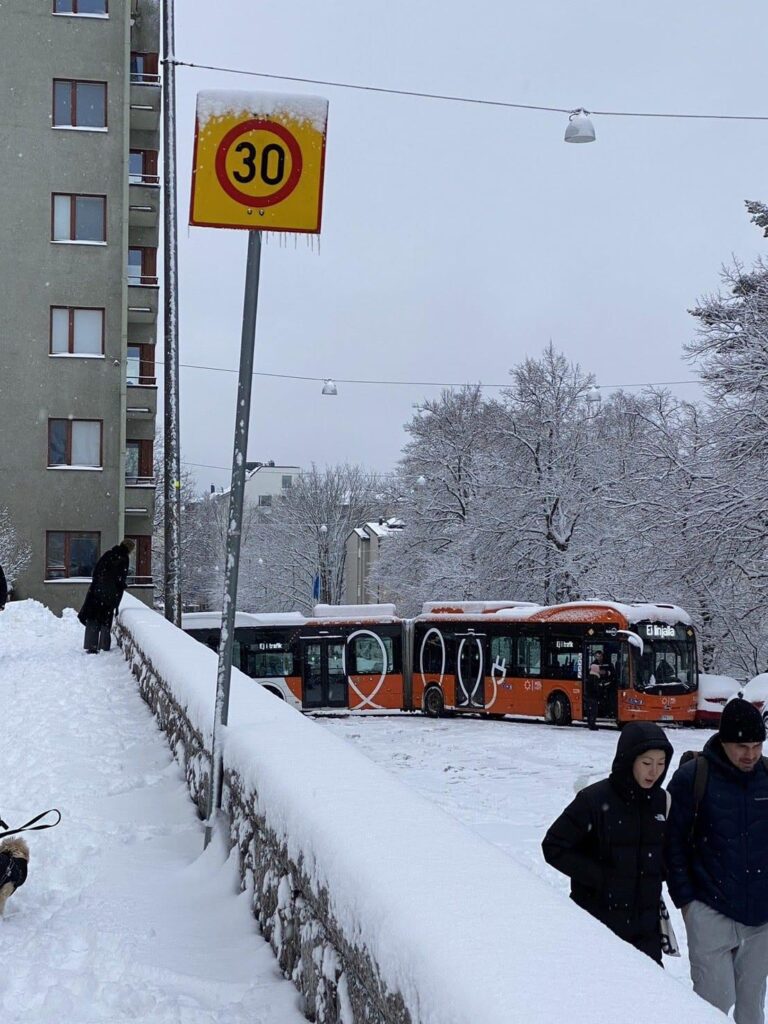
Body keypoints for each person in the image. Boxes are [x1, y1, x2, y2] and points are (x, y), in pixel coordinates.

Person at [665, 697, 768, 1024]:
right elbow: (672, 846)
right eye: (742, 746)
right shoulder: (693, 778)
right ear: (723, 741)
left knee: (752, 1009)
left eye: (757, 745)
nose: (750, 754)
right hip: (710, 909)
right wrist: (688, 904)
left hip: (761, 918)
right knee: (713, 1005)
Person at [542, 722, 673, 963]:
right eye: (646, 763)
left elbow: (668, 850)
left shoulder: (661, 802)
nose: (654, 772)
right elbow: (553, 846)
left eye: (661, 764)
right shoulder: (594, 800)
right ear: (629, 759)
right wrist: (599, 878)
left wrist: (658, 870)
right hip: (598, 929)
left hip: (646, 932)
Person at [77, 538, 135, 653]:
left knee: (93, 617)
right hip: (110, 594)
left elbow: (97, 571)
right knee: (105, 619)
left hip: (97, 592)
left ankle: (91, 645)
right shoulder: (124, 559)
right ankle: (103, 646)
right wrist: (120, 587)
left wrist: (97, 585)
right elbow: (120, 578)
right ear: (129, 549)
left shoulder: (109, 554)